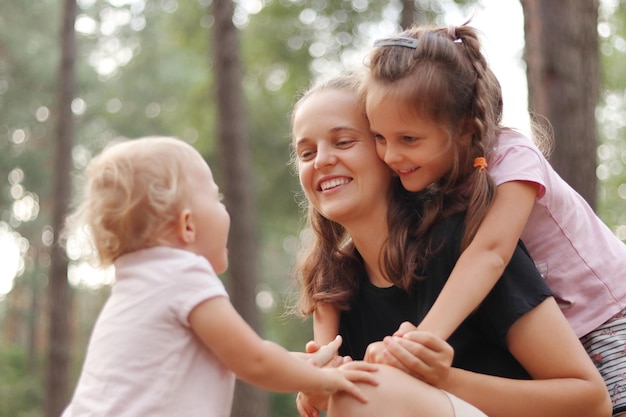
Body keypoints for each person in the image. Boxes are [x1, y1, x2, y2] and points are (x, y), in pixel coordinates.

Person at [290, 74, 611, 417]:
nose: (321, 160)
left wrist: (440, 378)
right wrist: (322, 388)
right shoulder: (339, 287)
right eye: (306, 152)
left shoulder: (467, 243)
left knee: (369, 390)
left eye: (343, 142)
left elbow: (590, 400)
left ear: (390, 152)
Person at [362, 23, 626, 416]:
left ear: (464, 128)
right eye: (379, 137)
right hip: (554, 336)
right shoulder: (441, 180)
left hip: (608, 320)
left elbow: (490, 254)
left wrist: (422, 339)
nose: (390, 156)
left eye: (408, 139)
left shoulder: (514, 162)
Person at [60, 136, 378, 417]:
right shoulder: (182, 272)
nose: (224, 209)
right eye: (216, 199)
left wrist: (309, 364)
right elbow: (254, 360)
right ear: (187, 225)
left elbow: (242, 352)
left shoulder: (139, 282)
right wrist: (323, 380)